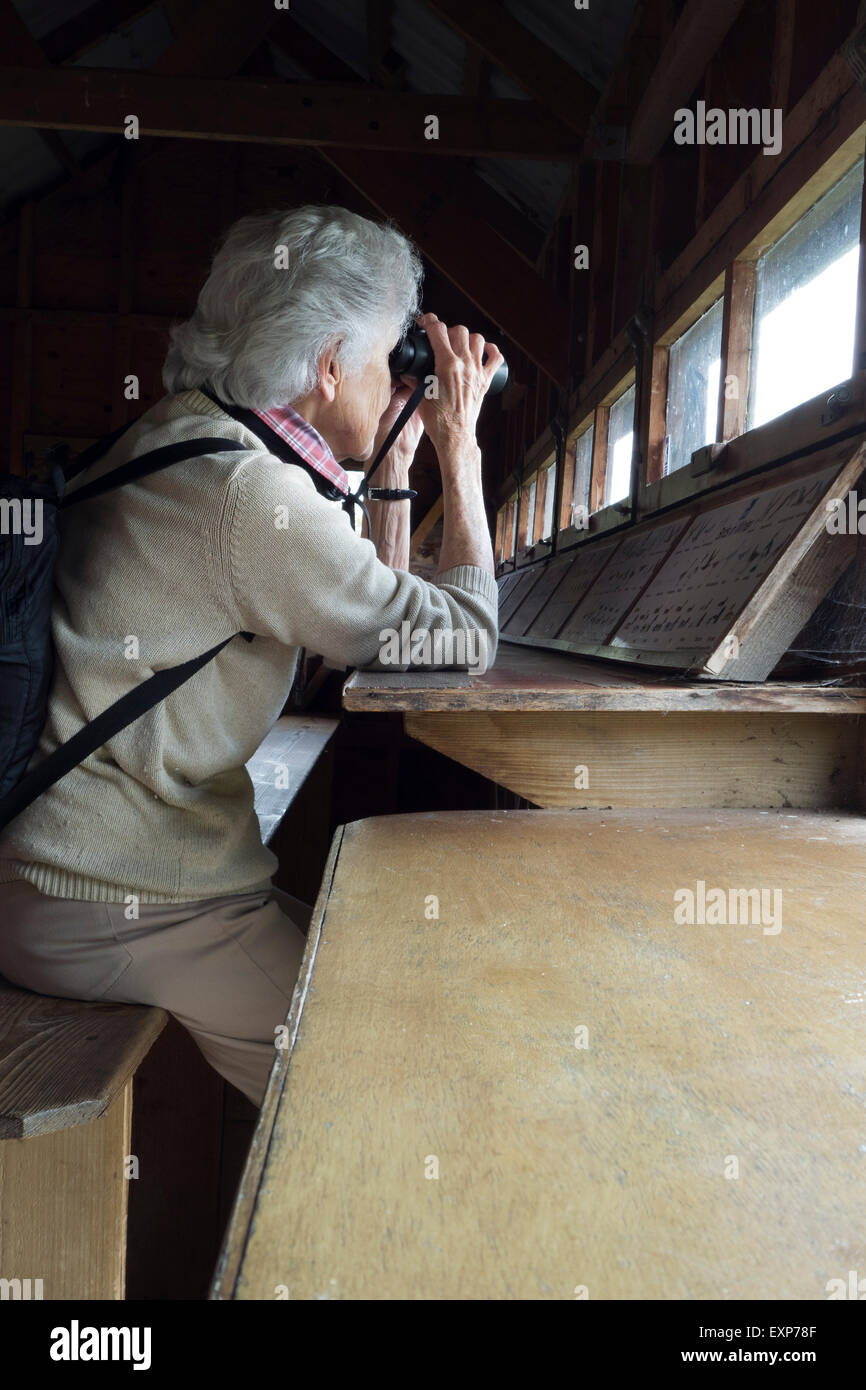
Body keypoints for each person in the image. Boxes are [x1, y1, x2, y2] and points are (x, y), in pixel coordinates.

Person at [0, 205, 501, 1107]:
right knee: (391, 1087)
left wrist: (392, 459)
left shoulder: (186, 438)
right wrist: (461, 454)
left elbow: (374, 612)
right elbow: (458, 635)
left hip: (75, 875)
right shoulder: (249, 498)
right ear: (327, 364)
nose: (399, 376)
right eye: (389, 353)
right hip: (119, 899)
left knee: (368, 973)